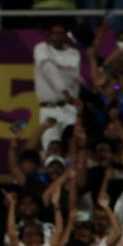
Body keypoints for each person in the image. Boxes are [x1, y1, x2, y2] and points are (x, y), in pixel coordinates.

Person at [33, 20, 81, 149]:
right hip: (49, 108)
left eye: (61, 33)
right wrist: (64, 92)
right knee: (50, 147)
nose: (58, 36)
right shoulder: (41, 48)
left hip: (69, 108)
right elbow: (49, 69)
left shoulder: (74, 54)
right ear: (50, 35)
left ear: (66, 35)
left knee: (72, 147)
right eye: (55, 33)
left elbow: (72, 79)